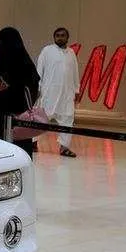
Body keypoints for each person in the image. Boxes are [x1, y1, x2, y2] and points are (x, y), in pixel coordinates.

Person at [0, 27, 40, 158]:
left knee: (17, 159)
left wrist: (10, 89)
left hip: (18, 122)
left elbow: (31, 92)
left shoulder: (26, 67)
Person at [35, 27, 79, 157]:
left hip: (67, 94)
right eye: (58, 35)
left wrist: (77, 90)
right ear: (54, 38)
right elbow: (39, 70)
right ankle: (32, 142)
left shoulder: (71, 53)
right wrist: (37, 88)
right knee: (40, 118)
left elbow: (75, 73)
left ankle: (64, 147)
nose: (60, 37)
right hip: (49, 93)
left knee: (67, 118)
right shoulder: (47, 51)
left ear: (67, 38)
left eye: (63, 35)